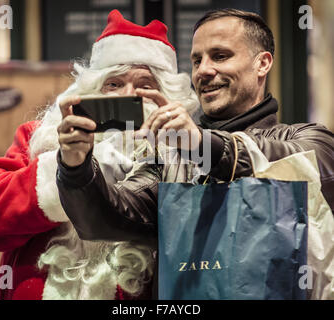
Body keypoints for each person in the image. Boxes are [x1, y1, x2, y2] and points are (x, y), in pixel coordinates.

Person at [56, 8, 334, 299]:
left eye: (220, 56)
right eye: (197, 60)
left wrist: (202, 144)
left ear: (262, 63)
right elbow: (102, 219)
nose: (203, 70)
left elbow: (303, 166)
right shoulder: (170, 158)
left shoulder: (308, 138)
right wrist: (75, 165)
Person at [0, 9, 199, 299]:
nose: (127, 95)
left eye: (145, 86)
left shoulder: (181, 157)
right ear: (91, 90)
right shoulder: (40, 138)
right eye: (114, 84)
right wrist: (63, 171)